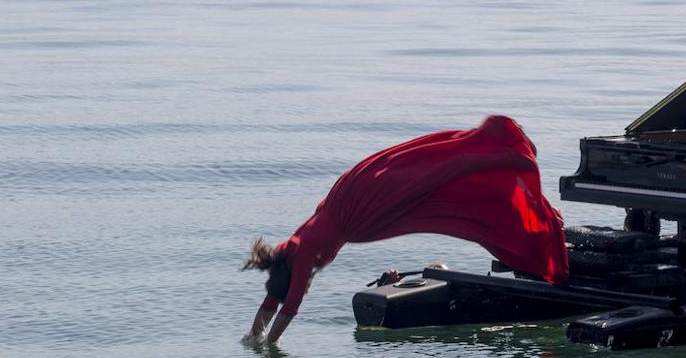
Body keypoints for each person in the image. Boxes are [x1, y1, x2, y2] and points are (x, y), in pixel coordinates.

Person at [243, 115, 569, 344]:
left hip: (363, 209)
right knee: (432, 176)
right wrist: (253, 334)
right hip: (349, 197)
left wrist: (269, 344)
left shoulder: (299, 260)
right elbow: (275, 297)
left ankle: (508, 154)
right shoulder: (288, 251)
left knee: (437, 176)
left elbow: (291, 303)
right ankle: (504, 156)